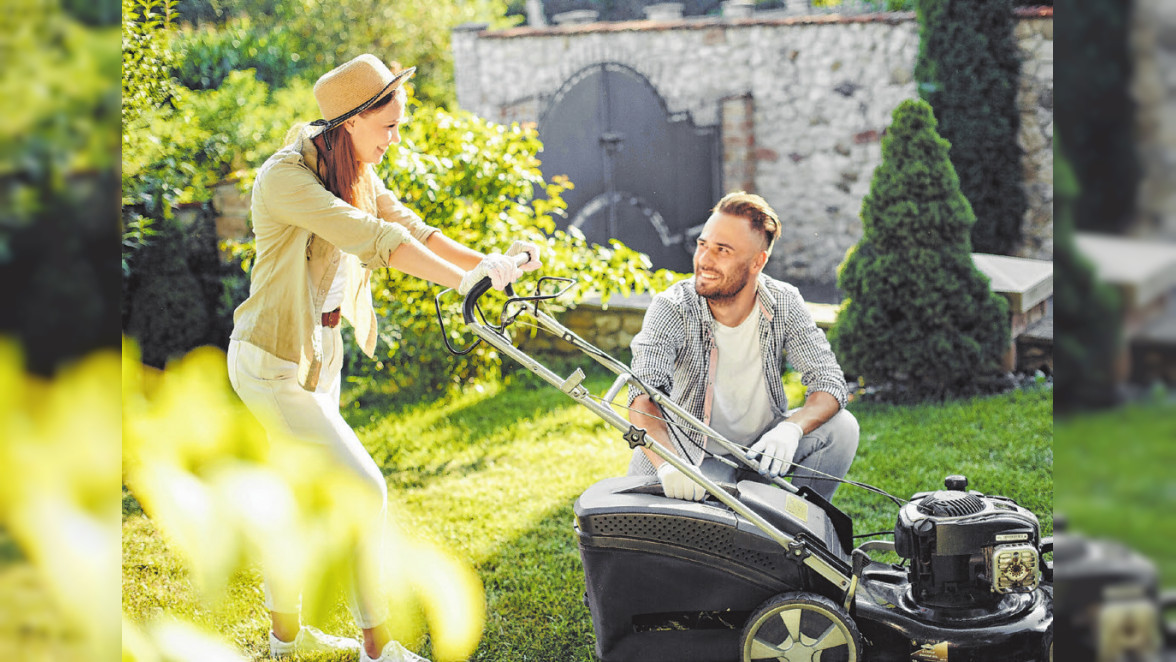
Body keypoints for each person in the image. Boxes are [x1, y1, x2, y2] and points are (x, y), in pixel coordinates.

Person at [227, 54, 539, 662]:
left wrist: (489, 265)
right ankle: (378, 649)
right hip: (273, 363)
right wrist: (464, 283)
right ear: (349, 122)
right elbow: (376, 241)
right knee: (363, 492)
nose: (395, 140)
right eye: (388, 127)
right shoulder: (286, 178)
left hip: (323, 355)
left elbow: (413, 229)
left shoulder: (356, 169)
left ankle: (284, 641)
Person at [627, 192, 858, 504]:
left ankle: (803, 528)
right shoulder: (672, 307)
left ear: (757, 262)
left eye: (722, 251)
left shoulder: (784, 302)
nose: (704, 261)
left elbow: (829, 382)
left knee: (841, 428)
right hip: (689, 458)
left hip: (761, 451)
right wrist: (669, 466)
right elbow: (642, 396)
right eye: (703, 245)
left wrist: (790, 430)